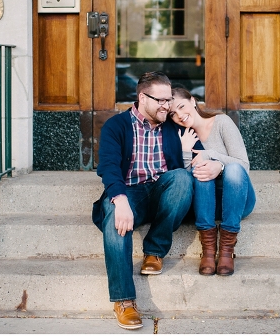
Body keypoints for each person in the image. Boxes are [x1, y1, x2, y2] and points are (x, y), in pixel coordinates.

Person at [91, 72, 193, 330]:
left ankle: (155, 251)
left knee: (181, 178)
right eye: (160, 100)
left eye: (168, 100)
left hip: (161, 191)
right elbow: (109, 167)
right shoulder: (117, 126)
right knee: (114, 215)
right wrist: (120, 199)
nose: (166, 106)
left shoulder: (172, 125)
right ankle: (124, 301)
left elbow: (199, 143)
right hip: (129, 192)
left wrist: (211, 162)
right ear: (141, 98)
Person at [169, 87, 256, 276]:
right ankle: (208, 251)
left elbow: (243, 165)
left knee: (230, 168)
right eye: (173, 114)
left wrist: (216, 161)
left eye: (182, 107)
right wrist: (185, 151)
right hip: (204, 204)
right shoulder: (180, 136)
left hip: (236, 200)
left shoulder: (221, 122)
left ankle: (226, 250)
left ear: (192, 101)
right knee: (200, 171)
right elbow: (183, 183)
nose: (180, 116)